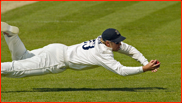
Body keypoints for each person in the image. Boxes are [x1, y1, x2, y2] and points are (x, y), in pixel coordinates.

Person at [1, 22, 160, 78]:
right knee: (17, 69)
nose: (120, 45)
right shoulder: (103, 53)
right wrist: (143, 69)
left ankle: (11, 35)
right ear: (107, 43)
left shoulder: (103, 39)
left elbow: (130, 49)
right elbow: (120, 71)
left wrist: (145, 62)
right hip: (56, 61)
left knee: (22, 58)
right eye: (117, 43)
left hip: (55, 49)